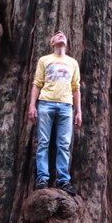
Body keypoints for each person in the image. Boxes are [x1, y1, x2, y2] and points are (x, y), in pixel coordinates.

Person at [28, 31, 82, 194]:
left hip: (66, 106)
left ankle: (63, 180)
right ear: (52, 43)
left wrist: (78, 111)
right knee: (43, 142)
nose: (61, 35)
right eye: (57, 35)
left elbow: (76, 88)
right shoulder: (44, 60)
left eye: (63, 35)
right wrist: (32, 105)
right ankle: (42, 178)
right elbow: (37, 83)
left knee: (64, 144)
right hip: (46, 104)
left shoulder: (72, 63)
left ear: (67, 43)